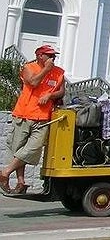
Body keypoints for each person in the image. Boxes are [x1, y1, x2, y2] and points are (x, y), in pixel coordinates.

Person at [0, 44, 65, 194]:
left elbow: (61, 91)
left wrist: (50, 95)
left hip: (43, 117)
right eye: (49, 55)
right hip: (23, 115)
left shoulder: (59, 72)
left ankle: (4, 173)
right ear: (40, 56)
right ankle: (21, 183)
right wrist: (46, 70)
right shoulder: (29, 67)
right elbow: (33, 82)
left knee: (32, 148)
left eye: (54, 56)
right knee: (19, 149)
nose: (52, 58)